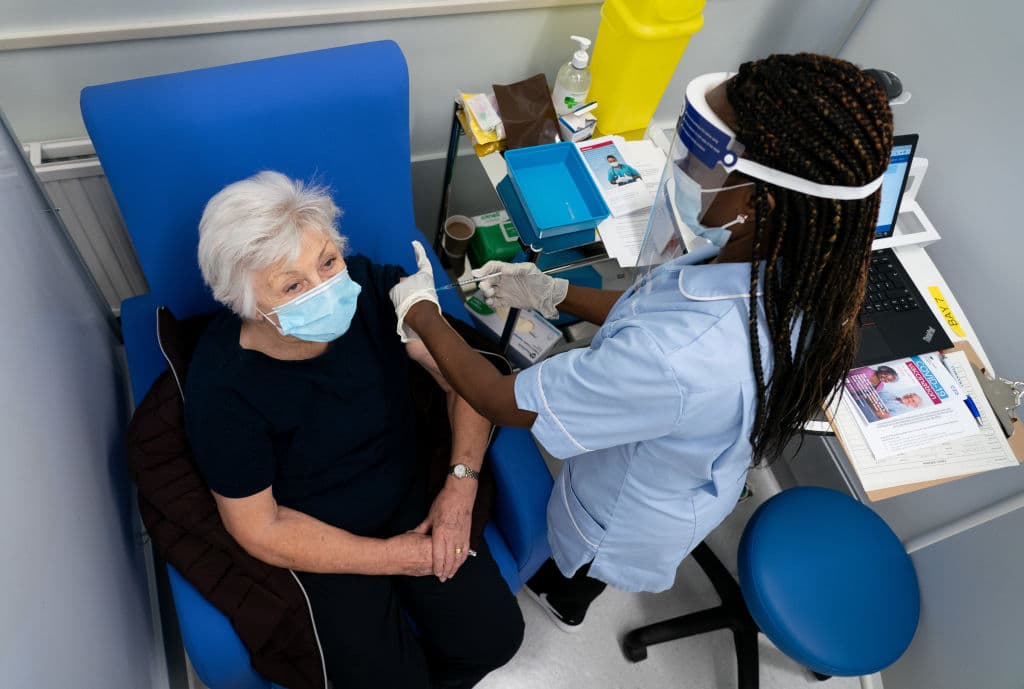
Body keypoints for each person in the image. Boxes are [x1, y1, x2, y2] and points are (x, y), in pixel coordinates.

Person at [389, 53, 894, 632]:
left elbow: (501, 402)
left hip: (628, 510)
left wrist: (423, 311)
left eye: (705, 156)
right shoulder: (799, 271)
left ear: (759, 204)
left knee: (578, 569)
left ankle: (563, 599)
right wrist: (554, 291)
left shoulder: (677, 358)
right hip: (692, 467)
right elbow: (659, 304)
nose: (685, 165)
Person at [184, 171, 523, 689]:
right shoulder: (223, 392)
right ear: (244, 304)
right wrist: (394, 558)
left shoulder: (371, 287)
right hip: (319, 535)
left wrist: (460, 486)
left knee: (495, 638)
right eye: (292, 285)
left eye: (327, 261)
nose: (326, 289)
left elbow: (468, 384)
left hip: (411, 491)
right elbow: (260, 527)